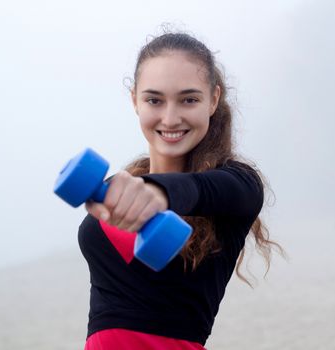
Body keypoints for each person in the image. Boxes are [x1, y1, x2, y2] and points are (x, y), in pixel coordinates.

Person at [78, 31, 282, 349]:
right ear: (135, 100)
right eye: (154, 100)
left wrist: (157, 194)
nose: (170, 118)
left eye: (188, 99)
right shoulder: (120, 187)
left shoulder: (238, 185)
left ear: (213, 99)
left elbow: (199, 189)